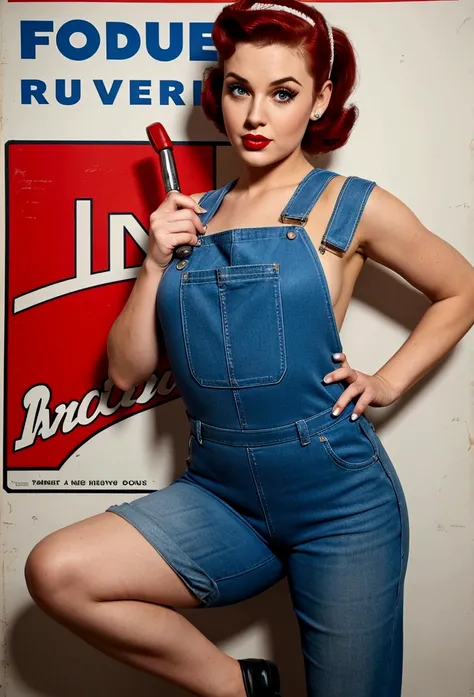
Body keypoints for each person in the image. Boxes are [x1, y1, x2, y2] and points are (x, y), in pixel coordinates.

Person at [24, 1, 474, 696]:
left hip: (339, 501)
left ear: (321, 98)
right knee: (57, 570)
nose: (255, 116)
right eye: (239, 89)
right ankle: (239, 686)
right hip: (221, 494)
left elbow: (461, 288)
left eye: (283, 93)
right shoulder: (190, 218)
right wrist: (152, 264)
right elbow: (123, 370)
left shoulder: (349, 203)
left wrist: (388, 380)